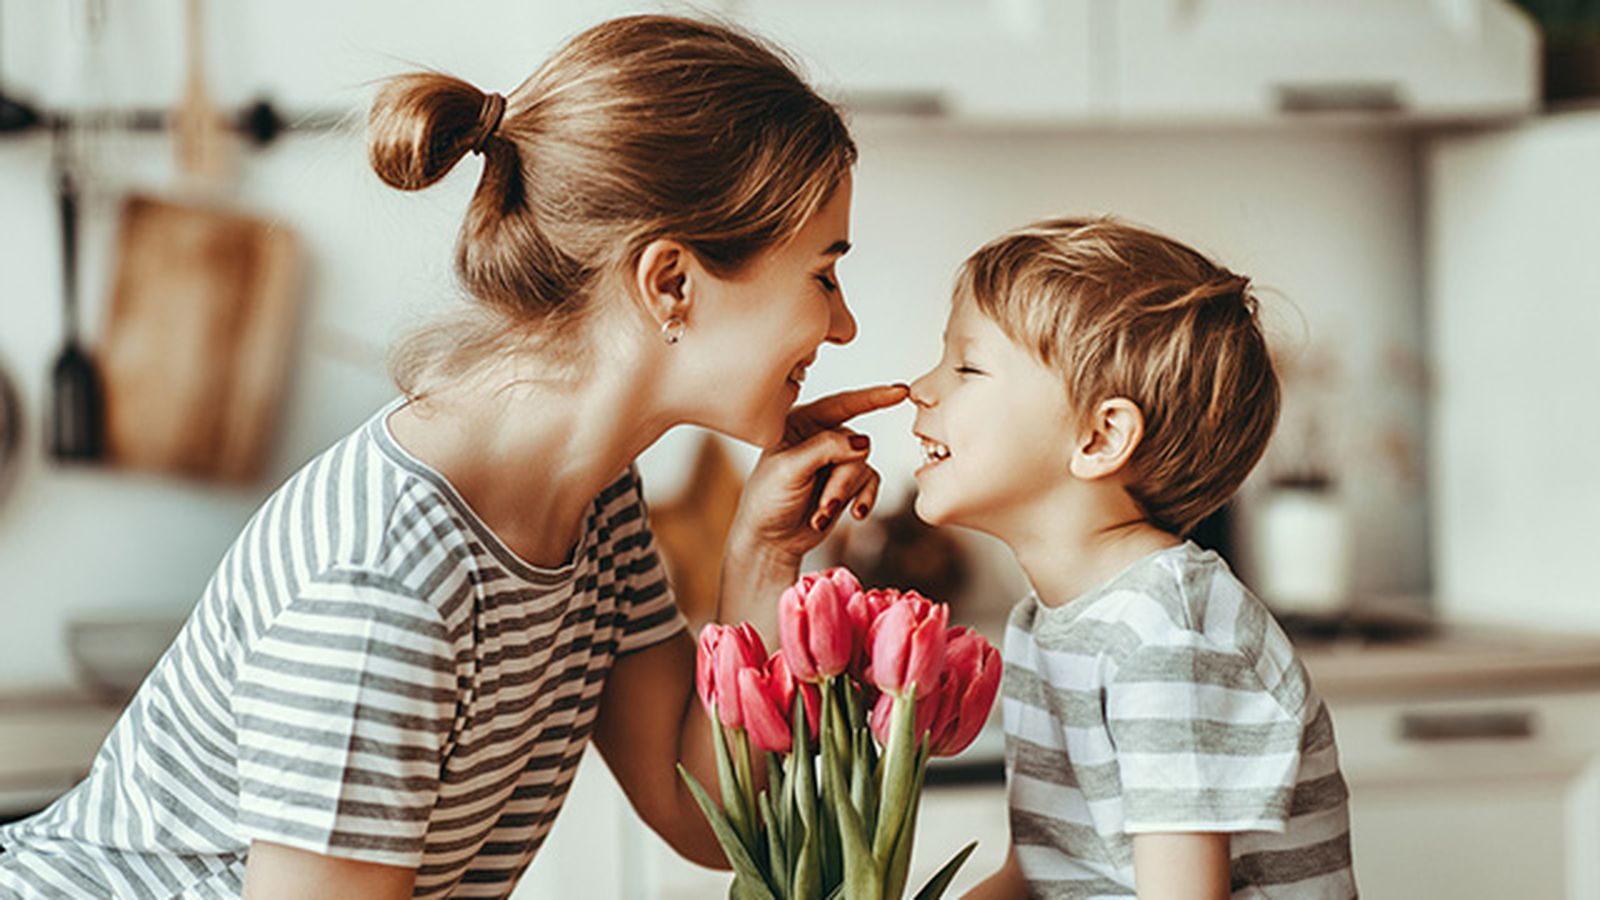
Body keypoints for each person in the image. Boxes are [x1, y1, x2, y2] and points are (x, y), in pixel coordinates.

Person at [0, 14, 906, 899]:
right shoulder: (388, 581)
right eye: (823, 274)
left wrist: (764, 557)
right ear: (670, 281)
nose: (842, 322)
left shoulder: (596, 502)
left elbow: (704, 816)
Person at [907, 218, 1356, 898]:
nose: (922, 386)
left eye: (966, 367)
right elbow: (1037, 878)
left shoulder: (1167, 639)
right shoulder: (1048, 623)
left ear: (1100, 436)